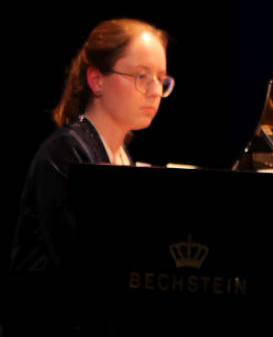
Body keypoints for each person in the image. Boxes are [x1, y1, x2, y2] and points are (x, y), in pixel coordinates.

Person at [11, 18, 174, 271]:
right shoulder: (66, 153)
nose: (155, 90)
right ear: (97, 80)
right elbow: (83, 260)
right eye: (142, 76)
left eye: (161, 79)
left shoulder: (121, 155)